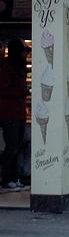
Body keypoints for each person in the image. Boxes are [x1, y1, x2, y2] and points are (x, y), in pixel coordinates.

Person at [0, 39, 28, 191]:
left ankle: (14, 177)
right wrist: (22, 92)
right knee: (12, 147)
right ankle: (7, 178)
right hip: (10, 114)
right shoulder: (8, 68)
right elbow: (3, 90)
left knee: (16, 147)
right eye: (23, 51)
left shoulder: (17, 68)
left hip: (18, 113)